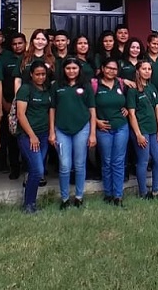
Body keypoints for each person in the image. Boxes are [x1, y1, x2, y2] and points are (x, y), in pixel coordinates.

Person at [51, 57, 96, 208]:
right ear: (63, 70)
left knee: (79, 164)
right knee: (64, 165)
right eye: (68, 68)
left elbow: (92, 110)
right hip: (61, 129)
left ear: (79, 70)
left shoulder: (86, 86)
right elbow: (52, 109)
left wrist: (93, 133)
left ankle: (79, 196)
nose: (71, 71)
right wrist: (52, 131)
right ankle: (64, 199)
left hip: (82, 129)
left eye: (74, 68)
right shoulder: (57, 86)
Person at [16, 61, 52, 214]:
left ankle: (31, 202)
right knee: (37, 169)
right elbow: (20, 114)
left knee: (36, 170)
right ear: (31, 74)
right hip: (28, 135)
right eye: (37, 74)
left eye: (43, 74)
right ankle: (28, 204)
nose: (40, 77)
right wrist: (31, 135)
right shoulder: (25, 89)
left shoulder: (47, 89)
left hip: (44, 134)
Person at [127, 61, 158, 199]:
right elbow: (131, 114)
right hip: (141, 131)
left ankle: (156, 190)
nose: (147, 71)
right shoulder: (133, 90)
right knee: (143, 160)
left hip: (154, 130)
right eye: (144, 69)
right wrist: (138, 134)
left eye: (149, 69)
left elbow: (157, 109)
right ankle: (143, 192)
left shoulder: (152, 87)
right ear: (138, 71)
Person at [94, 58, 129, 206]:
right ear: (102, 68)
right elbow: (88, 106)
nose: (111, 71)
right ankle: (108, 193)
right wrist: (96, 121)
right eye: (108, 68)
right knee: (107, 162)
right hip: (103, 129)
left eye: (114, 69)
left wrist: (126, 108)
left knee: (118, 162)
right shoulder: (95, 85)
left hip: (121, 126)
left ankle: (118, 195)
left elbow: (126, 101)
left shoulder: (120, 84)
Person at [0, 32, 26, 178]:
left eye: (20, 43)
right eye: (14, 44)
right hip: (8, 103)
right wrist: (4, 103)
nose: (17, 46)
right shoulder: (4, 59)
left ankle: (27, 167)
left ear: (25, 43)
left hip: (28, 104)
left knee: (26, 137)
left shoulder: (29, 58)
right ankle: (14, 167)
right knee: (11, 138)